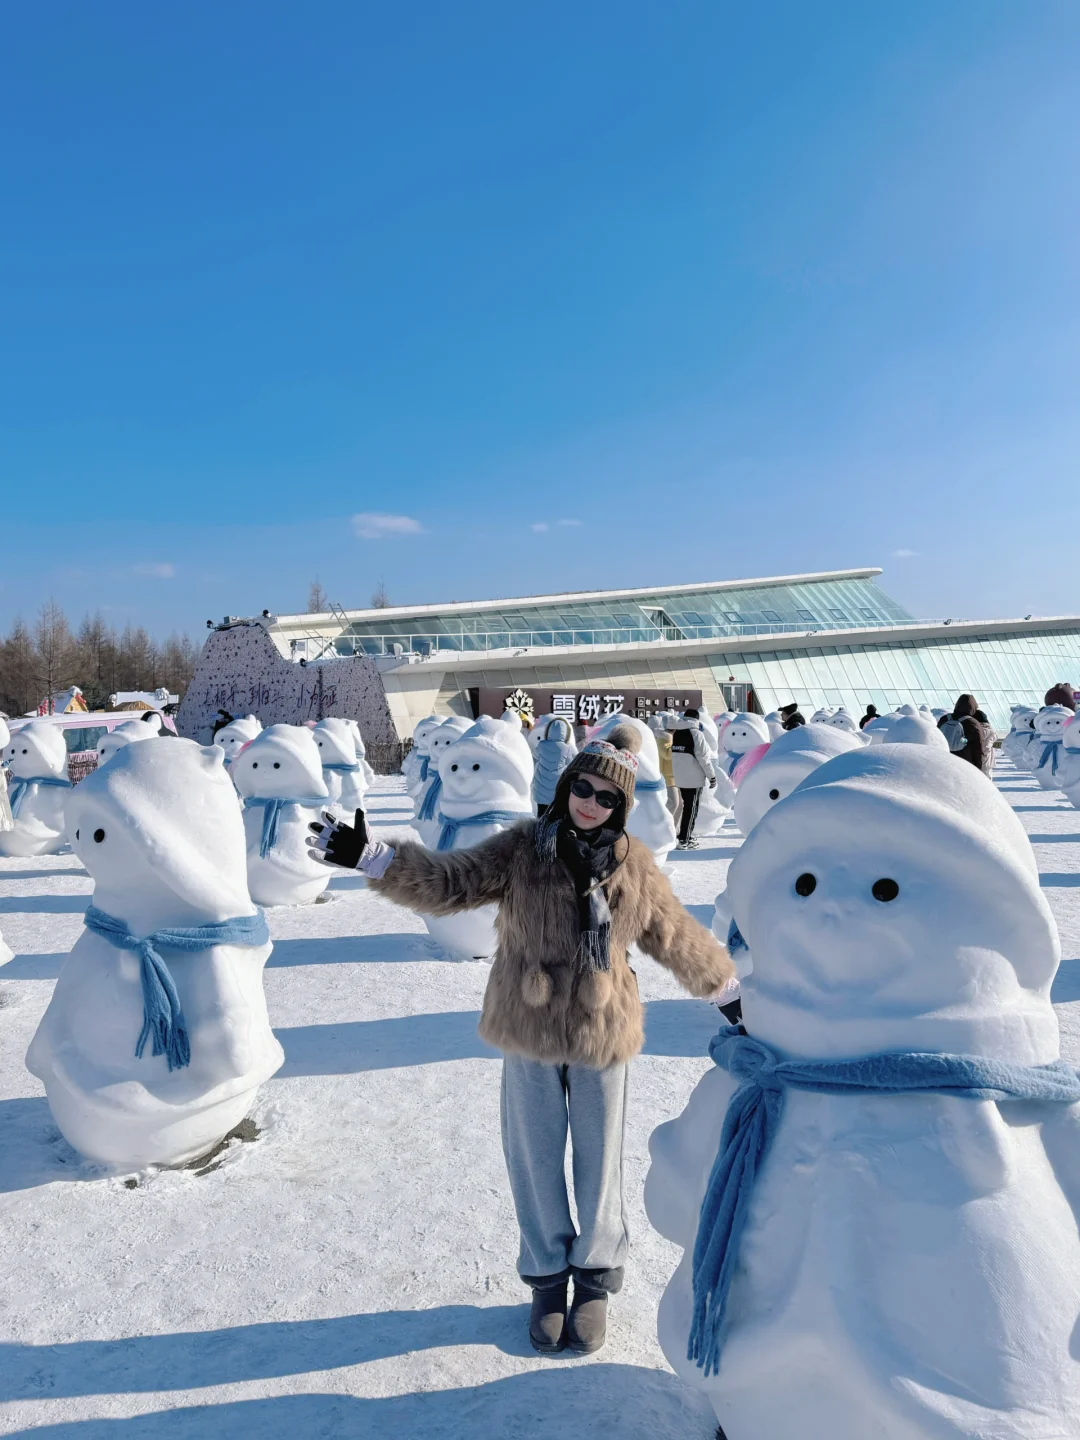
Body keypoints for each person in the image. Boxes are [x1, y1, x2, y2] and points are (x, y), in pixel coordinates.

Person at [307, 726, 732, 1357]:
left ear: (621, 807)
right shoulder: (521, 850)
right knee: (533, 1158)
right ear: (565, 787)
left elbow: (672, 934)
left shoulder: (633, 867)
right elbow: (450, 882)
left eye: (605, 798)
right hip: (528, 1024)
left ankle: (594, 1278)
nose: (590, 802)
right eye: (581, 788)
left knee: (600, 1159)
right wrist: (375, 858)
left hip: (601, 1026)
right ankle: (546, 1277)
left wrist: (728, 992)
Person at [668, 708, 716, 850]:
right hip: (693, 778)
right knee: (691, 808)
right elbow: (704, 759)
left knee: (684, 807)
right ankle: (684, 839)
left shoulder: (676, 732)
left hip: (678, 776)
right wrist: (712, 776)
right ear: (697, 719)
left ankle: (684, 834)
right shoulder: (696, 734)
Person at [938, 693, 994, 775]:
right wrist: (978, 767)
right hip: (965, 762)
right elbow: (978, 747)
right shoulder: (972, 723)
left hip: (946, 759)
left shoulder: (945, 719)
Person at [648, 714, 680, 821]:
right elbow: (667, 755)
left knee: (679, 805)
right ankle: (664, 826)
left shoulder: (670, 737)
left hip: (675, 776)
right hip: (667, 777)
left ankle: (674, 830)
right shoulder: (663, 737)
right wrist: (677, 746)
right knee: (673, 804)